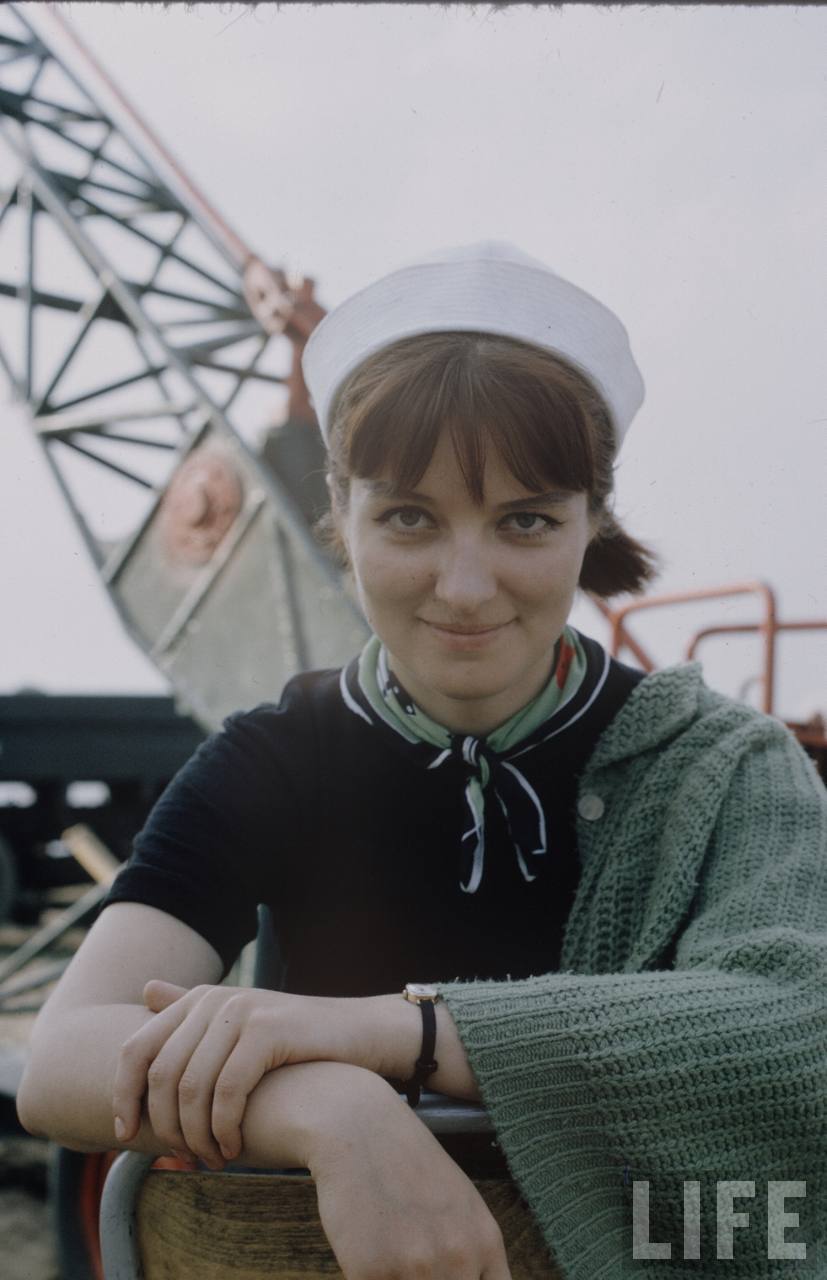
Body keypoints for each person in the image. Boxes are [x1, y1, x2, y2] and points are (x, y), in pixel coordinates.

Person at [17, 243, 827, 1280]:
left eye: (525, 520)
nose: (465, 586)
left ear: (591, 522)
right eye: (409, 517)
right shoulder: (274, 758)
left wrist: (385, 1036)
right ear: (341, 516)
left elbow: (800, 1028)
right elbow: (63, 1057)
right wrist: (326, 1102)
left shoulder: (725, 765)